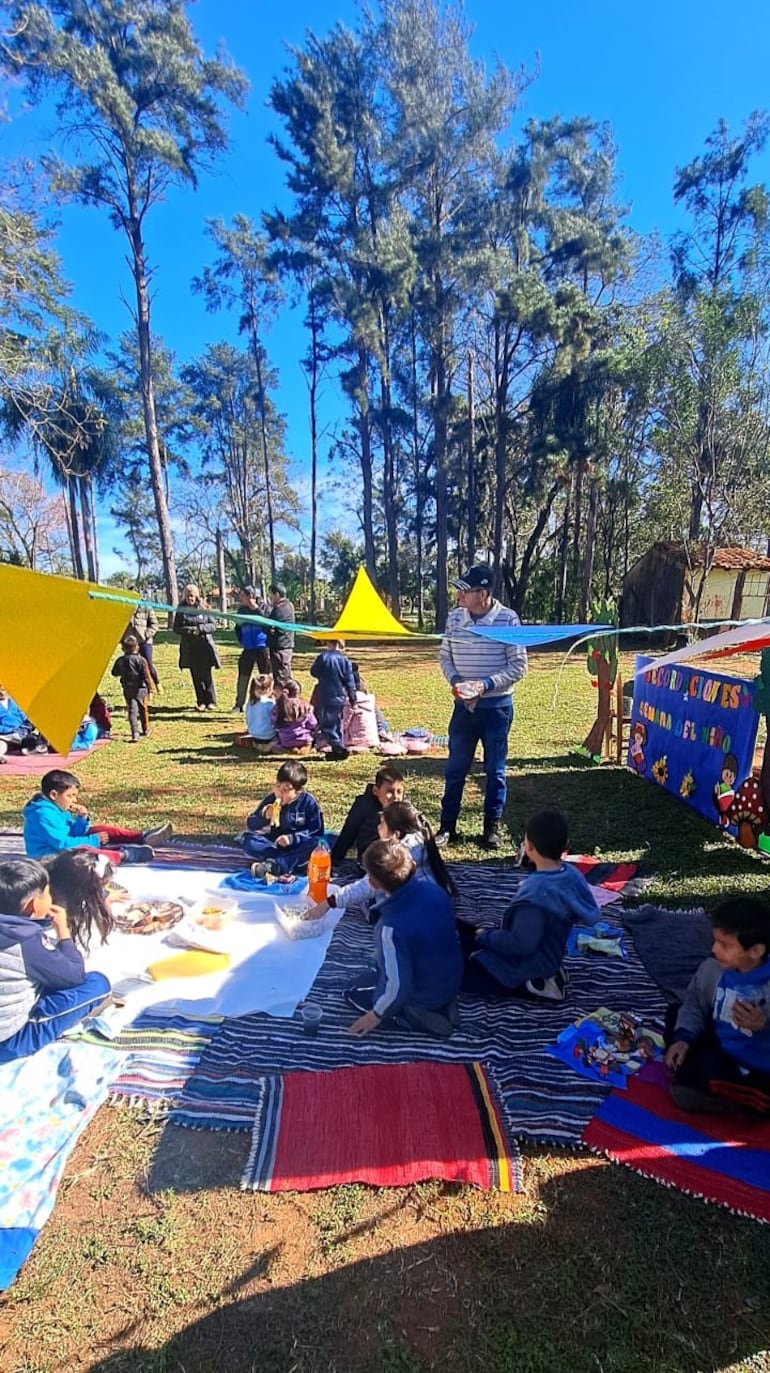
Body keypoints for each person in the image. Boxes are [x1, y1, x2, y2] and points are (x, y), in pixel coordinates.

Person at [436, 563, 528, 851]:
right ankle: (447, 827)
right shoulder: (454, 618)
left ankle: (491, 828)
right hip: (463, 708)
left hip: (496, 710)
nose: (459, 595)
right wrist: (458, 682)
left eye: (466, 590)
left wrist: (484, 685)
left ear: (483, 593)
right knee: (455, 769)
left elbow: (519, 666)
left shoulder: (508, 620)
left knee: (494, 771)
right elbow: (445, 656)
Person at [461, 811, 598, 1001]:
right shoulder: (569, 874)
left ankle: (536, 985)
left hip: (530, 962)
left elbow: (520, 943)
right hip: (551, 950)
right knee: (472, 935)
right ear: (565, 845)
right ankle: (549, 971)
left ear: (529, 847)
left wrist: (485, 937)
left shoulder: (536, 897)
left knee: (464, 970)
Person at [344, 841, 463, 1039]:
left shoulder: (390, 928)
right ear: (414, 867)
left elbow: (397, 985)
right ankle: (445, 1001)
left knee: (351, 992)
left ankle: (411, 1014)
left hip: (420, 992)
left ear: (372, 884)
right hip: (451, 978)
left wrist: (377, 1014)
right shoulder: (437, 892)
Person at [665, 896, 770, 1115]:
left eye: (725, 945)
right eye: (715, 941)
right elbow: (693, 1004)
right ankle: (720, 1088)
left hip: (758, 1064)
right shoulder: (712, 969)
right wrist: (683, 1039)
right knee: (675, 1014)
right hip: (721, 1047)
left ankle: (745, 1099)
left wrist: (763, 1024)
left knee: (687, 1087)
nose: (714, 949)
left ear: (755, 951)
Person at [0, 857, 111, 1063]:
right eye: (48, 893)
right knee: (97, 984)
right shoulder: (24, 941)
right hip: (8, 1041)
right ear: (34, 905)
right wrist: (63, 931)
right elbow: (74, 976)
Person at [308, 798, 456, 922]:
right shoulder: (420, 836)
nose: (378, 827)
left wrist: (328, 902)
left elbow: (367, 886)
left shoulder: (395, 857)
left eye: (382, 823)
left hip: (416, 915)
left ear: (395, 835)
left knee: (370, 903)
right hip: (437, 904)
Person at [23, 769, 173, 866]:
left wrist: (82, 819)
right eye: (70, 796)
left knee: (101, 829)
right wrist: (94, 840)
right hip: (47, 858)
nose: (74, 800)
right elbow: (64, 844)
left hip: (61, 847)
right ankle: (123, 855)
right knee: (85, 851)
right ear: (54, 795)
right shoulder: (43, 815)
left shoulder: (56, 807)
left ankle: (142, 837)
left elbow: (72, 832)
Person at [239, 760, 324, 877]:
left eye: (285, 790)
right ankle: (286, 862)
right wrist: (264, 817)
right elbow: (251, 824)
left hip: (297, 844)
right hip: (274, 844)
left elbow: (316, 830)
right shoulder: (271, 799)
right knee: (249, 840)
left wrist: (292, 838)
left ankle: (275, 866)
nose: (279, 792)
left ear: (298, 791)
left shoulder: (308, 803)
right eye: (278, 786)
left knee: (317, 845)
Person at [330, 764, 405, 866]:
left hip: (398, 861)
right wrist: (334, 860)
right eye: (390, 792)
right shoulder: (363, 806)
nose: (395, 797)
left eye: (399, 791)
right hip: (370, 862)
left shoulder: (404, 808)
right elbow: (348, 834)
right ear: (375, 791)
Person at [42, 849, 114, 951]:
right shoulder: (50, 913)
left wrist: (106, 896)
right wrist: (62, 931)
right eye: (99, 889)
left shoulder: (56, 875)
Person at [173, 583, 220, 711]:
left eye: (192, 596)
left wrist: (200, 629)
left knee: (206, 674)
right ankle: (201, 702)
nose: (190, 599)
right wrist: (189, 630)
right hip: (190, 647)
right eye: (188, 596)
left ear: (196, 596)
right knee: (196, 675)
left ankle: (211, 701)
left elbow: (213, 626)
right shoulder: (181, 609)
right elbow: (176, 628)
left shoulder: (203, 607)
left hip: (204, 646)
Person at [310, 638, 357, 761]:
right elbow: (350, 682)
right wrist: (353, 699)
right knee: (337, 723)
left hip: (326, 695)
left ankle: (339, 749)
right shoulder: (345, 660)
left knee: (328, 724)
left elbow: (314, 672)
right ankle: (337, 748)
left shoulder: (323, 657)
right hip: (339, 696)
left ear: (328, 643)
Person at [233, 586, 271, 712]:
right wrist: (242, 640)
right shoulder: (241, 610)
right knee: (243, 676)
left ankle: (266, 701)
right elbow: (237, 627)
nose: (240, 598)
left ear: (250, 596)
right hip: (248, 649)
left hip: (262, 648)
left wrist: (255, 608)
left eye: (242, 596)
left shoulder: (264, 607)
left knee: (265, 676)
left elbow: (268, 622)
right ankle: (239, 704)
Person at [111, 633, 154, 743]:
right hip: (141, 689)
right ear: (137, 647)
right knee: (143, 709)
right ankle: (145, 729)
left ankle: (135, 733)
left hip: (128, 688)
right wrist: (151, 689)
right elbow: (147, 676)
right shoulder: (141, 660)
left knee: (132, 711)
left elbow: (114, 673)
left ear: (123, 648)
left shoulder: (120, 660)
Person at [0, 684, 47, 756]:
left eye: (3, 690)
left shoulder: (15, 703)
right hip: (6, 735)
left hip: (22, 732)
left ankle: (40, 746)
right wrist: (7, 729)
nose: (1, 692)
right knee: (2, 744)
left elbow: (24, 718)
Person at [271, 680, 317, 752]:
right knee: (313, 736)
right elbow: (313, 723)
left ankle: (290, 749)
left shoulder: (277, 707)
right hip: (303, 738)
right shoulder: (304, 706)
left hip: (285, 740)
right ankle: (306, 747)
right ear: (298, 693)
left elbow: (274, 723)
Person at [267, 581, 295, 688]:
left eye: (271, 594)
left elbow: (269, 625)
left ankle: (284, 701)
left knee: (281, 679)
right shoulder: (289, 605)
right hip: (286, 647)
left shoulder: (280, 608)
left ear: (277, 594)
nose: (270, 597)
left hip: (280, 648)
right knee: (284, 675)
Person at [128, 603, 161, 691]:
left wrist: (146, 635)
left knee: (148, 665)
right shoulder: (126, 608)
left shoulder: (146, 608)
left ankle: (157, 683)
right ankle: (144, 687)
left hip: (145, 642)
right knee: (133, 666)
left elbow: (154, 625)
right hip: (131, 643)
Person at [241, 673, 278, 749]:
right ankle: (268, 746)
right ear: (270, 689)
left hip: (253, 733)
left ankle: (256, 744)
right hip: (268, 735)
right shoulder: (270, 703)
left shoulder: (250, 703)